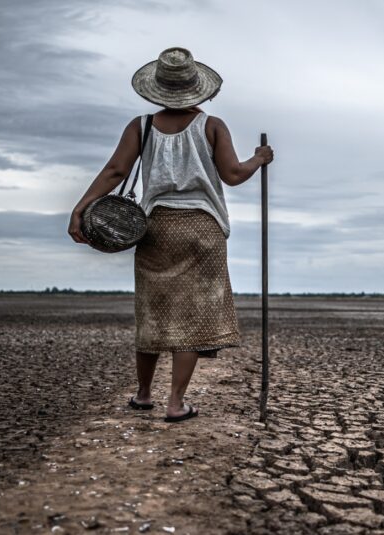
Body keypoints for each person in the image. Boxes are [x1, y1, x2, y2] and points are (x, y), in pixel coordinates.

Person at [68, 47, 274, 423]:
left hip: (156, 227)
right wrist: (258, 160)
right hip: (203, 228)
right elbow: (232, 174)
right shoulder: (212, 126)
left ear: (157, 89)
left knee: (152, 311)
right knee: (192, 318)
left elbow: (116, 171)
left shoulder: (141, 126)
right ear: (198, 89)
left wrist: (81, 206)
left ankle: (144, 394)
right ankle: (176, 403)